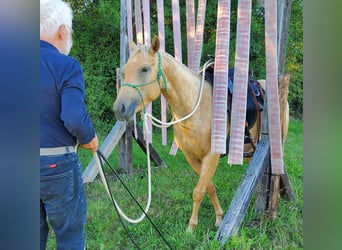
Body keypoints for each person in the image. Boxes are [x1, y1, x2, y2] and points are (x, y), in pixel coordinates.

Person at [40, 0, 98, 249]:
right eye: (70, 31)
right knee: (70, 238)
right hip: (57, 165)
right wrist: (89, 137)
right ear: (62, 30)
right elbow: (73, 117)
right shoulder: (67, 66)